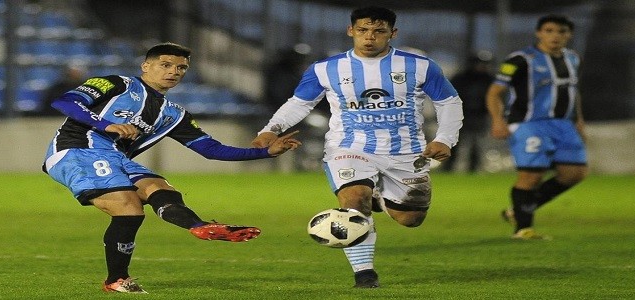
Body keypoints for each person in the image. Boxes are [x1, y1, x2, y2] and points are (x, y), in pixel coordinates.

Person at [41, 42, 301, 294]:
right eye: (165, 65)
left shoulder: (174, 113)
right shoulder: (117, 83)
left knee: (158, 187)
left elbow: (211, 150)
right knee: (129, 208)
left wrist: (265, 152)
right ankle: (117, 280)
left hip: (114, 157)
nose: (173, 72)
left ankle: (199, 227)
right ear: (146, 66)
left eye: (181, 68)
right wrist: (105, 125)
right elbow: (64, 101)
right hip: (76, 150)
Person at [252, 6, 463, 288]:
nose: (370, 37)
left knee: (410, 219)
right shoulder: (326, 68)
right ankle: (365, 274)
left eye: (379, 31)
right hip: (349, 147)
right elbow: (300, 103)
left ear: (393, 34)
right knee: (354, 203)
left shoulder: (419, 66)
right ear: (351, 31)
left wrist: (445, 138)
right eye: (363, 30)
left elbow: (448, 102)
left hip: (406, 151)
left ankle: (378, 196)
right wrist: (270, 129)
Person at [486, 15, 588, 240]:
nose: (555, 36)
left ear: (569, 35)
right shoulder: (520, 59)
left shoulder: (573, 58)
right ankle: (523, 229)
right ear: (538, 33)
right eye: (549, 30)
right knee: (531, 176)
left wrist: (578, 120)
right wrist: (498, 120)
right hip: (529, 124)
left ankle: (517, 211)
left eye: (561, 31)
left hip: (563, 124)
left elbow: (572, 91)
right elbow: (495, 92)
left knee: (575, 173)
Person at [441, 52, 494, 172]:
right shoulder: (461, 78)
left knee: (476, 144)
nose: (481, 66)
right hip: (459, 115)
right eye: (479, 63)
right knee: (454, 143)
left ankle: (473, 169)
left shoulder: (489, 80)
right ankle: (448, 167)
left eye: (484, 64)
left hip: (479, 116)